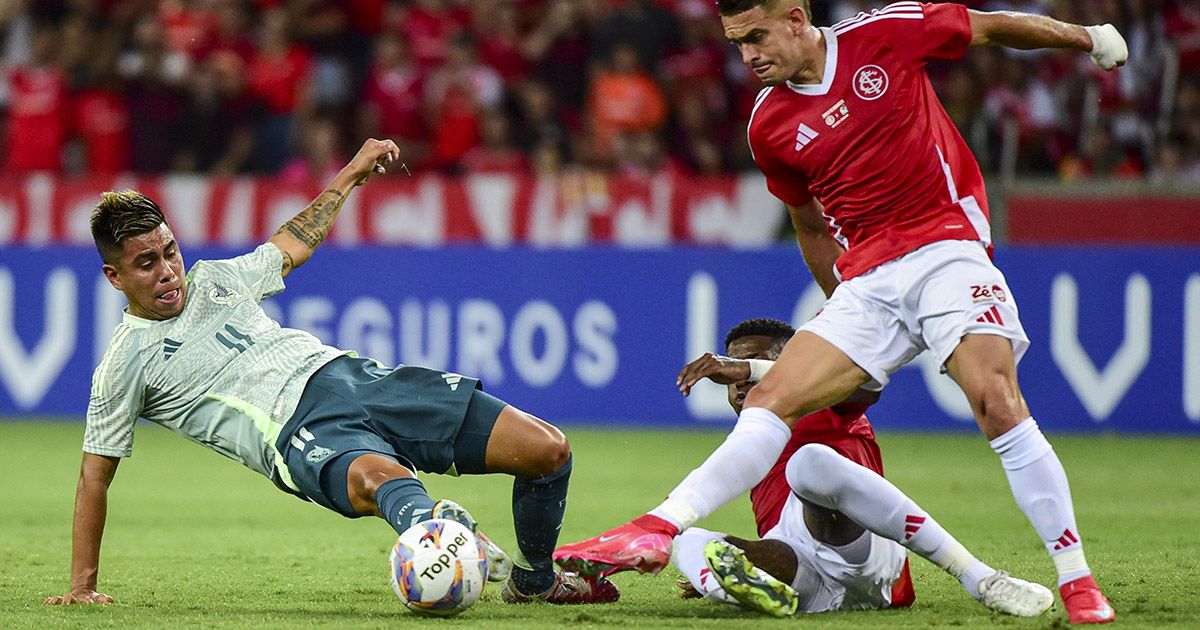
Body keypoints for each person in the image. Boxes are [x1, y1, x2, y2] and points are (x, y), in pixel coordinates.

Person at [554, 2, 1128, 624]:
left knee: (995, 400)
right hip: (867, 281)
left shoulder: (884, 35)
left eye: (756, 37)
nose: (747, 56)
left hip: (944, 248)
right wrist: (843, 311)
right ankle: (659, 525)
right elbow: (809, 225)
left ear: (795, 18)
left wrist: (1087, 38)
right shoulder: (768, 125)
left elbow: (988, 26)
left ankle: (1077, 581)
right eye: (737, 43)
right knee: (769, 399)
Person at [43, 138, 618, 607]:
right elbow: (95, 475)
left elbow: (293, 243)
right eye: (146, 264)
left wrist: (352, 173)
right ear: (115, 277)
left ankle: (534, 581)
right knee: (380, 478)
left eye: (170, 251)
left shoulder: (216, 278)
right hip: (296, 434)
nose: (168, 271)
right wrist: (82, 586)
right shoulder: (125, 363)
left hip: (353, 378)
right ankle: (436, 531)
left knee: (547, 450)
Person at [668, 318, 1050, 617]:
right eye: (734, 368)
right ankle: (732, 586)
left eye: (750, 364)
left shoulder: (824, 404)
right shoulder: (748, 439)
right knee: (683, 539)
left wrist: (754, 370)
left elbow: (866, 387)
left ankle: (978, 577)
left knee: (807, 463)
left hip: (861, 553)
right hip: (804, 581)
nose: (738, 379)